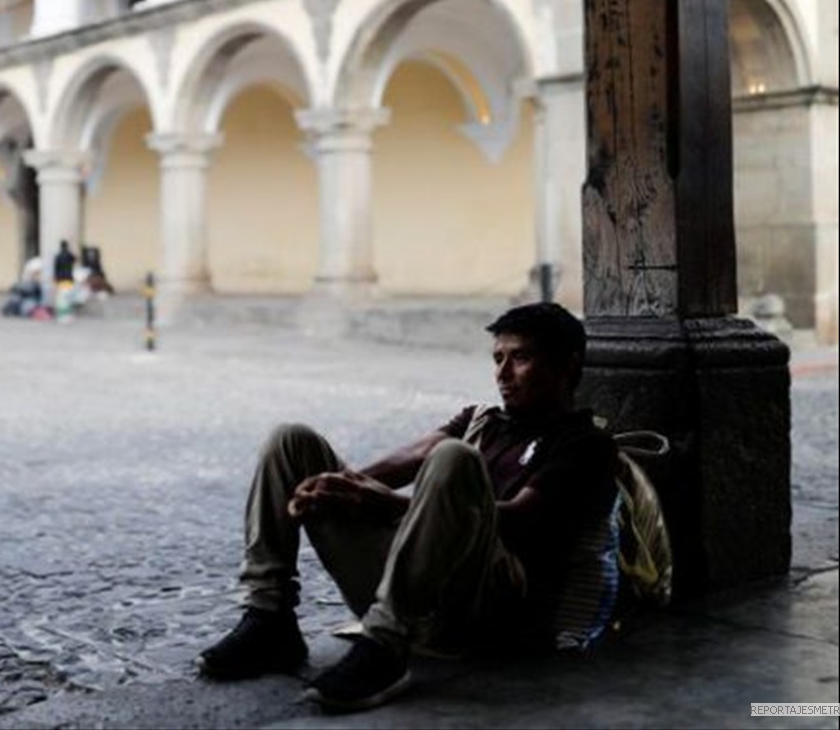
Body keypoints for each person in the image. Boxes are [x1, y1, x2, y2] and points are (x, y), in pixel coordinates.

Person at [195, 302, 619, 712]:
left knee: (455, 460)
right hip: (415, 589)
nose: (503, 375)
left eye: (521, 358)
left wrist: (388, 504)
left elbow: (519, 520)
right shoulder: (482, 419)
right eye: (497, 360)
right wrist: (336, 487)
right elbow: (402, 462)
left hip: (483, 608)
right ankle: (270, 619)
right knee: (290, 441)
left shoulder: (586, 444)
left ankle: (385, 649)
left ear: (567, 364)